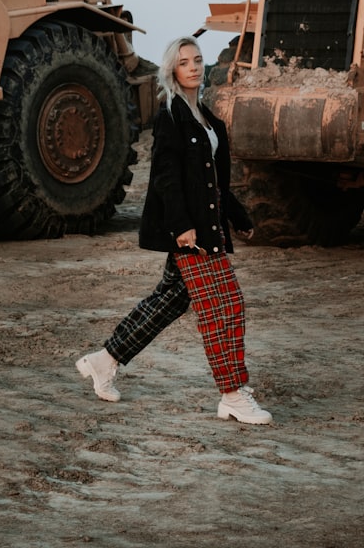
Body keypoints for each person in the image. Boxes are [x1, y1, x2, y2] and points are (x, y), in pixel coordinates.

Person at [75, 36, 272, 425]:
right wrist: (182, 226)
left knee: (167, 302)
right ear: (172, 71)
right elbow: (166, 177)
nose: (194, 67)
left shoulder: (207, 118)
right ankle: (232, 393)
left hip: (207, 228)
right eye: (185, 62)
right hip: (191, 233)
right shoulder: (170, 115)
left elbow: (215, 182)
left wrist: (240, 217)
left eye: (198, 60)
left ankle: (105, 360)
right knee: (224, 305)